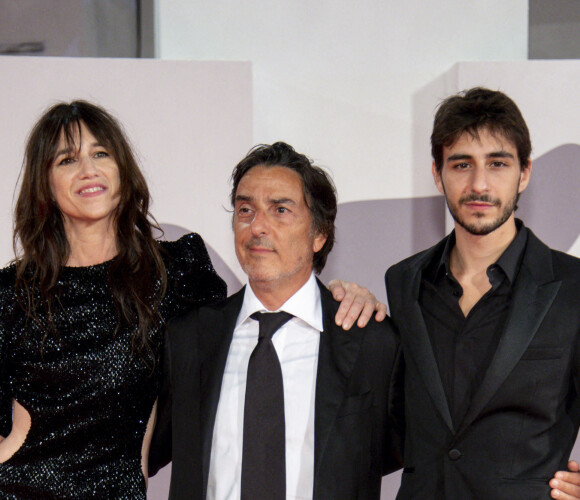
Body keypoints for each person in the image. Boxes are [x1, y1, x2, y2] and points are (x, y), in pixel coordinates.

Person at [0, 102, 384, 499]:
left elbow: (256, 313)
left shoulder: (176, 273)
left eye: (101, 153)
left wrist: (339, 294)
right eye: (67, 160)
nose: (88, 170)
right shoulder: (10, 294)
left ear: (122, 168)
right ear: (44, 182)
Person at [149, 142, 403, 499]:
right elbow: (138, 450)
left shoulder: (372, 340)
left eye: (280, 210)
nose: (257, 227)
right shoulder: (188, 337)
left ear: (319, 234)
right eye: (245, 210)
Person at [386, 87, 580, 500]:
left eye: (497, 163)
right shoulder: (403, 282)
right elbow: (386, 426)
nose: (479, 184)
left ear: (524, 172)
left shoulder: (573, 287)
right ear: (437, 174)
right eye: (461, 164)